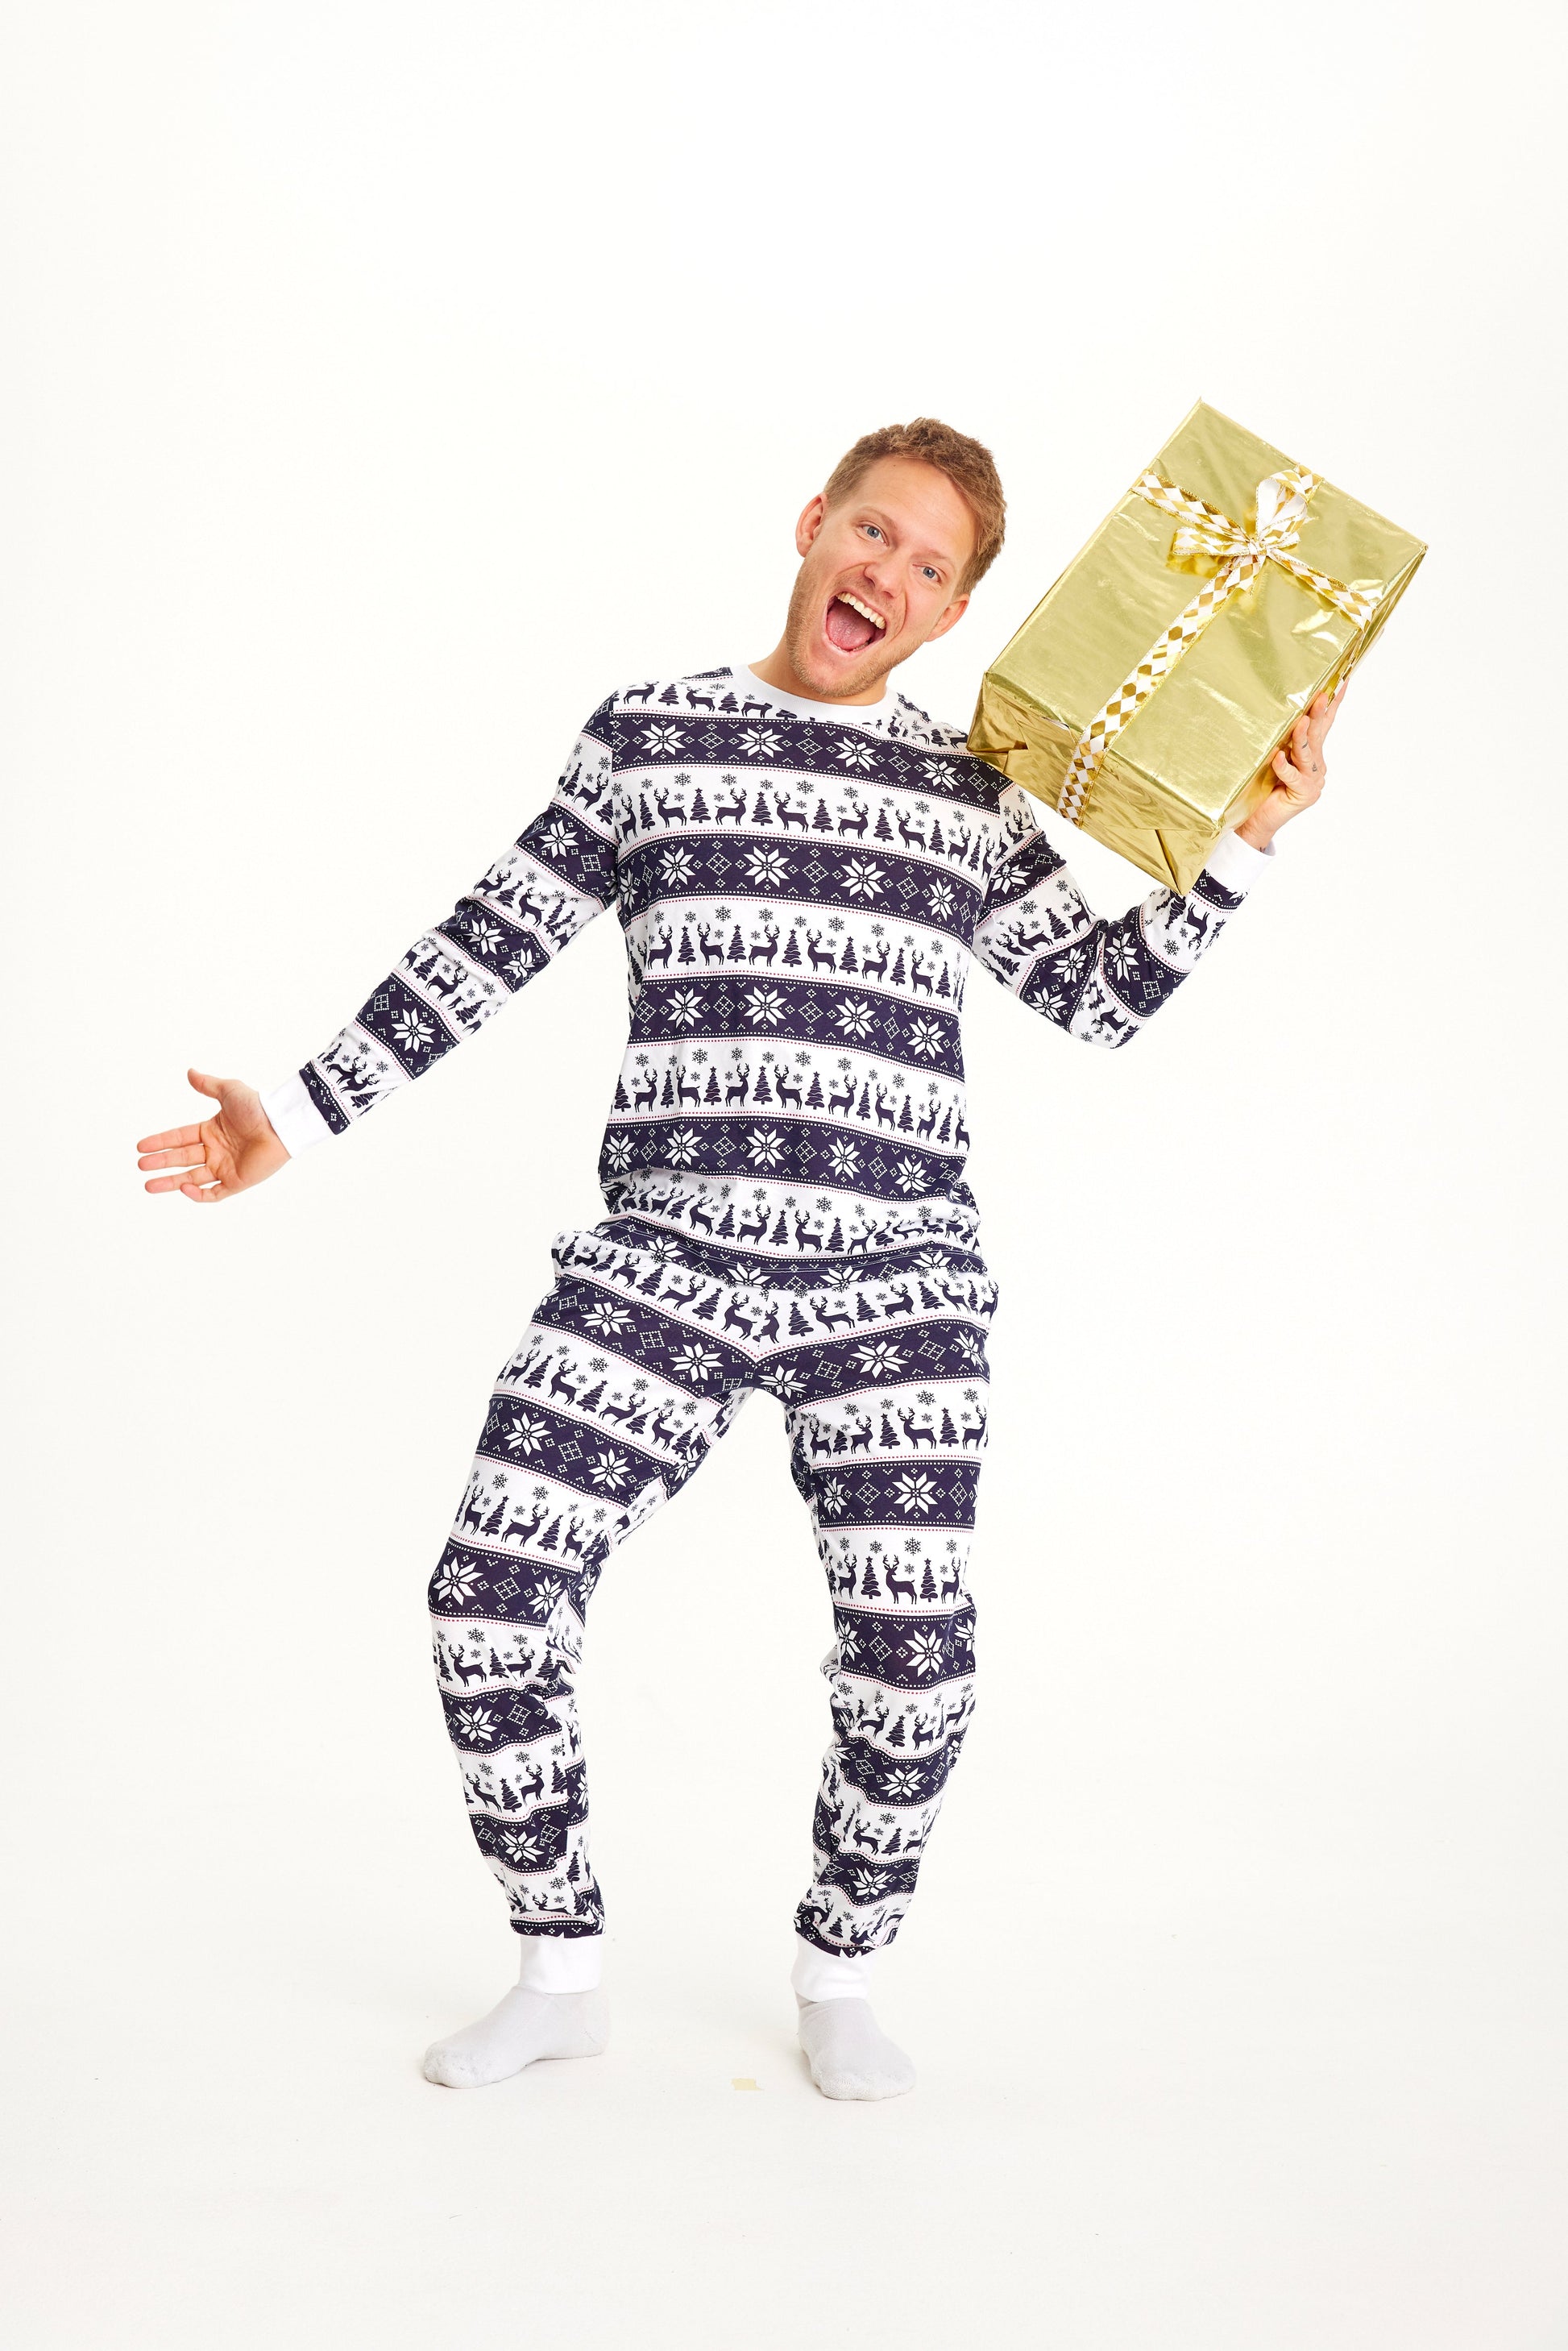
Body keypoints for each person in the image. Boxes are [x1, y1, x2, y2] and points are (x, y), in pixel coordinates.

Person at [135, 417, 1342, 2100]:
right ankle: (559, 1970)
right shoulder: (647, 735)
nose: (887, 573)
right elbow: (489, 940)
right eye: (873, 532)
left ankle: (842, 1971)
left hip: (895, 1284)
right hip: (661, 1261)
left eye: (930, 567)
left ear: (952, 615)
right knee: (490, 1597)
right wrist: (300, 1110)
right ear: (812, 525)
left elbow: (1094, 997)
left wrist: (1247, 845)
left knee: (914, 1658)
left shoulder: (964, 785)